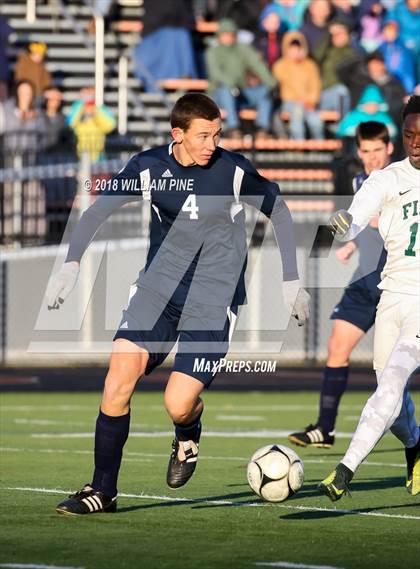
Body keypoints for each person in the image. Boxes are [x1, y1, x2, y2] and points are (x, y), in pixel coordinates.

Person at [45, 93, 311, 515]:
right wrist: (71, 264)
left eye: (217, 134)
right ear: (178, 135)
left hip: (213, 295)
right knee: (117, 380)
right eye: (203, 135)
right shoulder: (149, 167)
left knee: (177, 402)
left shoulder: (232, 170)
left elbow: (277, 208)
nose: (212, 143)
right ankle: (102, 491)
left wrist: (290, 280)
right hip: (157, 290)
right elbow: (97, 212)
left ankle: (188, 431)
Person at [319, 95, 420, 501]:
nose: (416, 141)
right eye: (410, 134)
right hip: (390, 294)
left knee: (393, 380)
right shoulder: (385, 178)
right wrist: (337, 229)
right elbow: (352, 219)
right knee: (388, 393)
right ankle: (415, 446)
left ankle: (344, 470)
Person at [288, 121, 393, 448]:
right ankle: (325, 428)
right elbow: (353, 221)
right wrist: (349, 243)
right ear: (358, 150)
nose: (372, 157)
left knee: (394, 367)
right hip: (365, 280)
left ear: (390, 148)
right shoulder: (359, 180)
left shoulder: (403, 179)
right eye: (366, 151)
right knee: (337, 346)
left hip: (398, 283)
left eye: (378, 150)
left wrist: (384, 220)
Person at [206, 18, 277, 139]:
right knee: (226, 90)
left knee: (265, 92)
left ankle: (262, 128)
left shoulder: (242, 49)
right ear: (219, 36)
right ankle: (234, 128)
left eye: (231, 34)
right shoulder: (213, 52)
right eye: (225, 34)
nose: (228, 37)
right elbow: (215, 74)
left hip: (241, 92)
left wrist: (270, 81)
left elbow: (257, 65)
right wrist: (232, 84)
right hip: (220, 94)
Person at [272, 31, 324, 140]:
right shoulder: (280, 66)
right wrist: (298, 99)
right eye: (292, 48)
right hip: (289, 102)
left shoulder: (310, 65)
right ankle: (298, 145)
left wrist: (310, 100)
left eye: (297, 48)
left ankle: (320, 147)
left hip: (308, 103)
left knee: (315, 120)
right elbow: (281, 88)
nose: (295, 51)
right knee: (297, 114)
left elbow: (316, 85)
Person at [66, 87, 116, 163]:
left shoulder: (101, 109)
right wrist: (81, 108)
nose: (87, 98)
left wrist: (95, 112)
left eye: (89, 95)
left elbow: (110, 125)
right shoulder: (76, 109)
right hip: (78, 155)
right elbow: (70, 124)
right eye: (84, 95)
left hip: (98, 155)